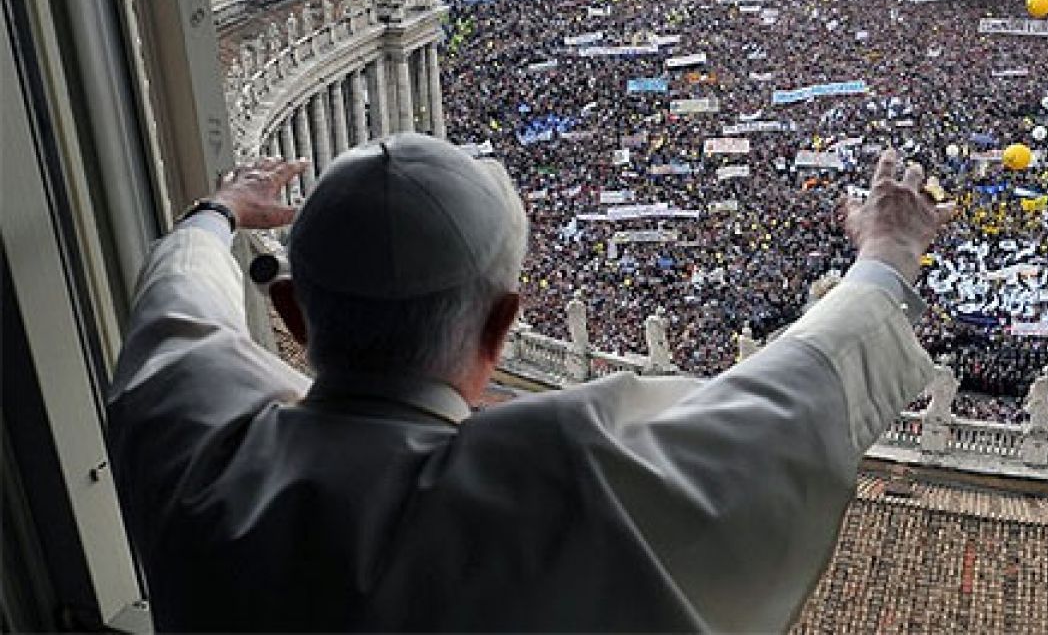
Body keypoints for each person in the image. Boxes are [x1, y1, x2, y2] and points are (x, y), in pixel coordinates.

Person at [108, 134, 953, 632]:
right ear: (502, 324)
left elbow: (178, 299)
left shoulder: (192, 440)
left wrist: (219, 212)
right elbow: (790, 396)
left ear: (290, 312)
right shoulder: (565, 480)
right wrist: (885, 252)